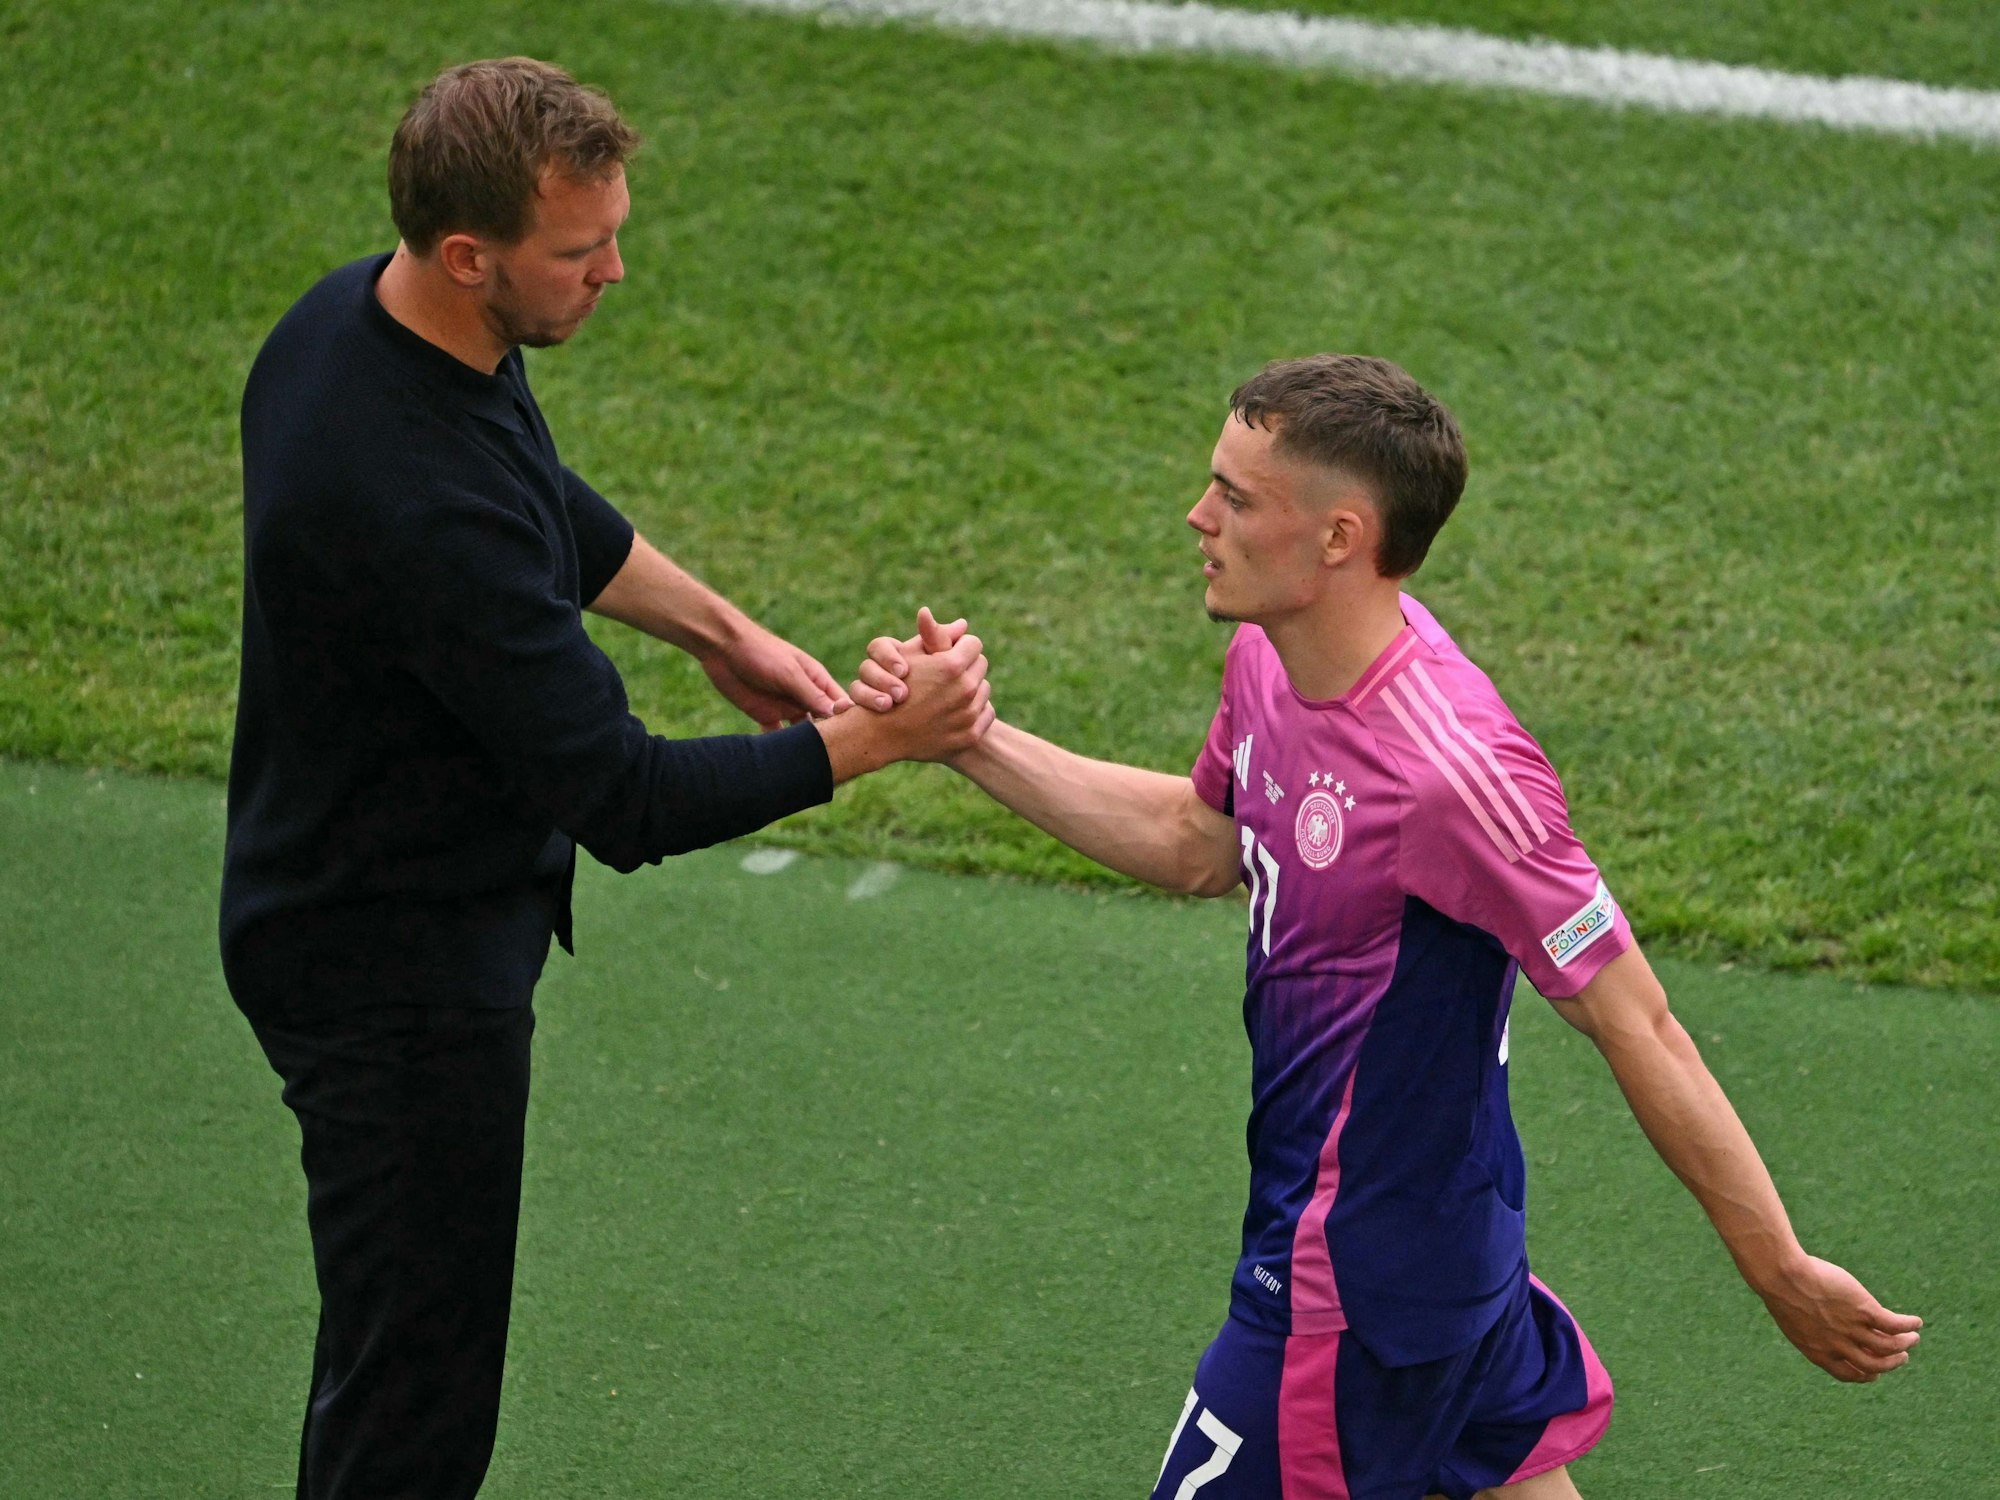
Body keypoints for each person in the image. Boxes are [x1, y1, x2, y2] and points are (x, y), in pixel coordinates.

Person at [854, 355, 1920, 1499]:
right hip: (1438, 1253)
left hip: (1348, 1289)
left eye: (1236, 496)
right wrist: (967, 737)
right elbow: (1195, 840)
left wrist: (1778, 1270)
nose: (1197, 516)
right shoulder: (1267, 653)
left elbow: (1637, 1024)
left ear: (1337, 538)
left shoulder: (1450, 776)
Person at [220, 57, 990, 1499]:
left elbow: (534, 490)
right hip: (392, 977)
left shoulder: (357, 322)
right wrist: (882, 739)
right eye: (580, 253)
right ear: (470, 255)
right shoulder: (414, 504)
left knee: (392, 1349)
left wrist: (723, 628)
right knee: (415, 1397)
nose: (615, 273)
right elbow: (623, 799)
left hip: (345, 904)